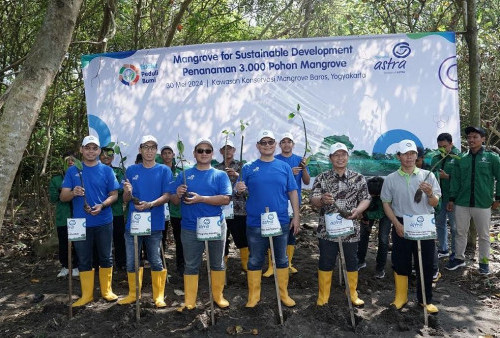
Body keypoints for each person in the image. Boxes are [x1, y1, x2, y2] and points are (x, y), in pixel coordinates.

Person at [235, 130, 300, 308]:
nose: (267, 145)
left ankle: (284, 294)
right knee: (255, 259)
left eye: (270, 142)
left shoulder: (284, 167)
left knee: (281, 258)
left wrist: (297, 217)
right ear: (258, 146)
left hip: (280, 220)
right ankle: (254, 296)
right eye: (263, 142)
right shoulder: (248, 167)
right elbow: (239, 188)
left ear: (275, 144)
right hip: (256, 221)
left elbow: (292, 192)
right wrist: (239, 187)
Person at [169, 138, 232, 311]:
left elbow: (226, 199)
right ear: (194, 154)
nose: (204, 154)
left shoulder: (220, 175)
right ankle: (190, 300)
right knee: (191, 264)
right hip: (190, 226)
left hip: (215, 225)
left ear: (212, 154)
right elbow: (174, 201)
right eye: (200, 150)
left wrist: (201, 199)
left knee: (217, 262)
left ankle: (218, 296)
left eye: (207, 151)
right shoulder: (184, 175)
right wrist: (177, 193)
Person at [381, 139, 441, 314]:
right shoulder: (391, 179)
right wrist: (396, 223)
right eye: (405, 154)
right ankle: (401, 297)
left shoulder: (428, 176)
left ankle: (425, 300)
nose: (409, 157)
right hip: (401, 223)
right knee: (400, 262)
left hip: (424, 225)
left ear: (417, 156)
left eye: (412, 154)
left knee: (426, 263)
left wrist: (430, 193)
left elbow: (435, 203)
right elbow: (386, 203)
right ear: (399, 157)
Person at [60, 135, 120, 307]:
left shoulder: (107, 170)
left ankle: (107, 291)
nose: (91, 151)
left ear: (99, 151)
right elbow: (63, 197)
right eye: (88, 148)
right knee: (84, 259)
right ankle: (87, 295)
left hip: (104, 220)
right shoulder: (73, 171)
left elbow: (114, 195)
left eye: (94, 148)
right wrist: (73, 192)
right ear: (81, 150)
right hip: (80, 223)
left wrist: (102, 205)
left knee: (106, 257)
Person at [310, 142, 370, 307]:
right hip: (327, 230)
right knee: (326, 261)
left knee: (352, 261)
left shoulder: (358, 178)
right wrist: (322, 200)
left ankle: (352, 294)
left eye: (343, 154)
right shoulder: (322, 178)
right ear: (330, 158)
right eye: (336, 155)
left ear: (347, 157)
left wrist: (358, 210)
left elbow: (366, 198)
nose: (340, 158)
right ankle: (323, 297)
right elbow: (313, 199)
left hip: (350, 229)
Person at [119, 135, 171, 308]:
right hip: (134, 222)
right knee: (132, 259)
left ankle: (159, 296)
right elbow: (126, 199)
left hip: (155, 221)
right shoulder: (131, 170)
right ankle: (134, 294)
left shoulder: (164, 170)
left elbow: (167, 195)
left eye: (152, 147)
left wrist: (151, 204)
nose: (149, 150)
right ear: (140, 150)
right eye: (145, 147)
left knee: (155, 259)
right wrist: (127, 191)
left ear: (156, 150)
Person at [445, 126, 500, 275]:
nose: (471, 140)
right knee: (460, 232)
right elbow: (455, 180)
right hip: (462, 202)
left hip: (482, 203)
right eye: (469, 137)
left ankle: (484, 263)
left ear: (482, 139)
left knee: (484, 235)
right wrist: (451, 199)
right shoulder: (461, 159)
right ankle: (458, 258)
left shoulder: (492, 158)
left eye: (475, 137)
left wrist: (498, 198)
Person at [262, 132, 310, 276]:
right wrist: (289, 171)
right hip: (277, 202)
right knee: (273, 231)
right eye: (283, 142)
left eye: (289, 142)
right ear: (279, 145)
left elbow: (307, 182)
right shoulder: (274, 160)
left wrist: (303, 168)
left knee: (291, 232)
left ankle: (288, 263)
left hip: (294, 202)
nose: (286, 144)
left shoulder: (299, 160)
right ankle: (272, 265)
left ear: (293, 145)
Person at [215, 139, 249, 272]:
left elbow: (250, 186)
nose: (227, 151)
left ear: (234, 150)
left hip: (239, 209)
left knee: (241, 237)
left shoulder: (243, 166)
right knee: (222, 238)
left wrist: (237, 175)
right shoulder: (217, 168)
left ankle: (246, 264)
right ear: (220, 151)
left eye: (230, 148)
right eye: (224, 148)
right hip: (221, 209)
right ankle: (223, 264)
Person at [49, 153, 79, 278]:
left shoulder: (80, 176)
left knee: (78, 241)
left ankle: (77, 266)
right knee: (64, 242)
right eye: (67, 161)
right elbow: (53, 198)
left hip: (78, 215)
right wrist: (62, 191)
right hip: (63, 216)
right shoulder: (56, 179)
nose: (70, 162)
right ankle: (65, 266)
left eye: (73, 160)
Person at [431, 133, 460, 260]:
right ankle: (443, 249)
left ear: (451, 144)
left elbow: (463, 178)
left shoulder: (459, 157)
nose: (442, 149)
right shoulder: (435, 158)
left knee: (455, 227)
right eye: (439, 147)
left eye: (445, 146)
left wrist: (447, 177)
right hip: (439, 197)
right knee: (440, 224)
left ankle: (456, 252)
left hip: (454, 197)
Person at [356, 176, 391, 279]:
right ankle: (360, 261)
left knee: (383, 239)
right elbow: (360, 203)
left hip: (386, 212)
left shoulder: (386, 192)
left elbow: (382, 211)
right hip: (367, 211)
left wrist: (367, 216)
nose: (372, 196)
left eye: (374, 195)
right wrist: (363, 215)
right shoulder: (364, 187)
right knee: (362, 235)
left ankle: (380, 268)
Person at [99, 146, 126, 270]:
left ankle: (121, 264)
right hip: (99, 213)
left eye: (109, 155)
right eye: (103, 154)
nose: (106, 157)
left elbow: (120, 188)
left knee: (119, 238)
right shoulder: (95, 171)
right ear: (99, 156)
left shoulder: (119, 171)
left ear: (113, 157)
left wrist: (109, 190)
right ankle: (102, 265)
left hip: (116, 211)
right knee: (101, 241)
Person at [160, 145, 184, 275]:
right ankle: (161, 264)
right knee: (161, 237)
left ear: (173, 155)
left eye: (169, 153)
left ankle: (181, 264)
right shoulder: (158, 170)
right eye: (164, 153)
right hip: (161, 208)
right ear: (161, 156)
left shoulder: (180, 171)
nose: (167, 155)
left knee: (179, 238)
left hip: (176, 210)